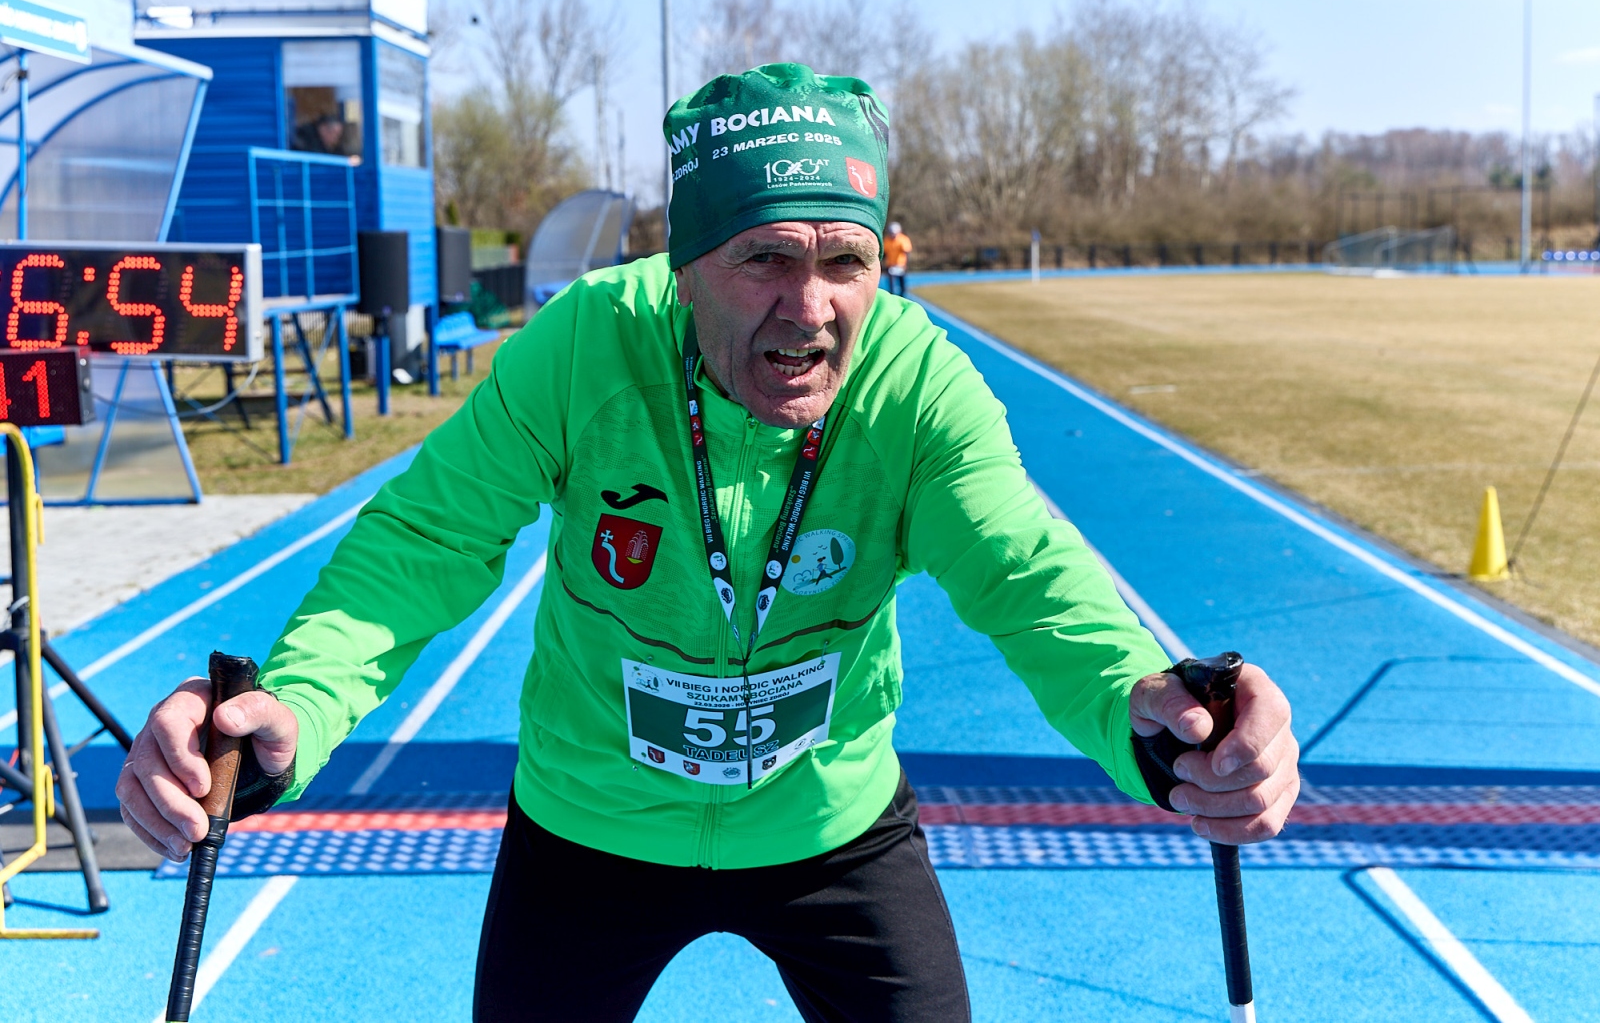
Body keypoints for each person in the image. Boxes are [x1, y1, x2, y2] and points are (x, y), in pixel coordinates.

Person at [118, 64, 1299, 1023]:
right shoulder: (584, 346)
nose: (811, 305)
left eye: (844, 260)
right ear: (684, 268)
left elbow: (1023, 571)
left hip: (828, 825)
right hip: (590, 827)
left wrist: (1145, 710)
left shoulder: (915, 377)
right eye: (764, 258)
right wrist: (297, 710)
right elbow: (427, 540)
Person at [883, 221, 913, 296]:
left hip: (900, 265)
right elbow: (884, 253)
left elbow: (907, 252)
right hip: (890, 265)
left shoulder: (903, 239)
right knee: (892, 287)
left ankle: (902, 296)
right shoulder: (887, 240)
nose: (892, 235)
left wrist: (905, 264)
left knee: (902, 286)